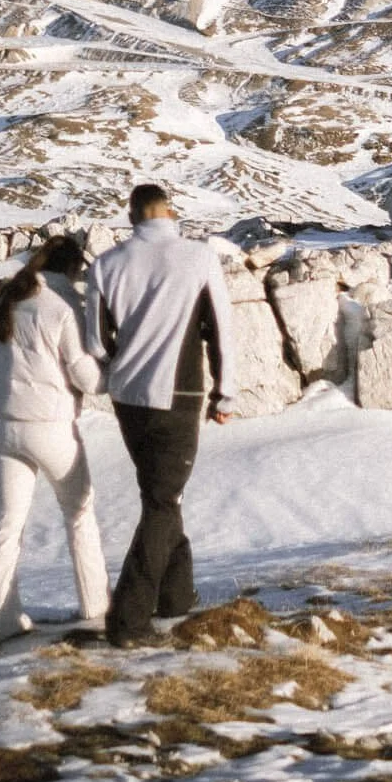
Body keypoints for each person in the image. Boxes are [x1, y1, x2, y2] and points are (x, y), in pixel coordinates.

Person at [85, 182, 235, 647]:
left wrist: (121, 367)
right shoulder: (199, 257)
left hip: (128, 397)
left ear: (131, 215)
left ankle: (176, 596)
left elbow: (95, 342)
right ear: (170, 212)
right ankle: (128, 620)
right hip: (179, 393)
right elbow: (222, 329)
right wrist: (225, 394)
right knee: (163, 501)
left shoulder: (106, 264)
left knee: (160, 494)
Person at [0, 234, 109, 642]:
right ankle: (96, 606)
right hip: (51, 426)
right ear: (72, 269)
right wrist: (111, 375)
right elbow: (85, 376)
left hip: (4, 427)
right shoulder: (63, 307)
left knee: (6, 524)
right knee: (79, 513)